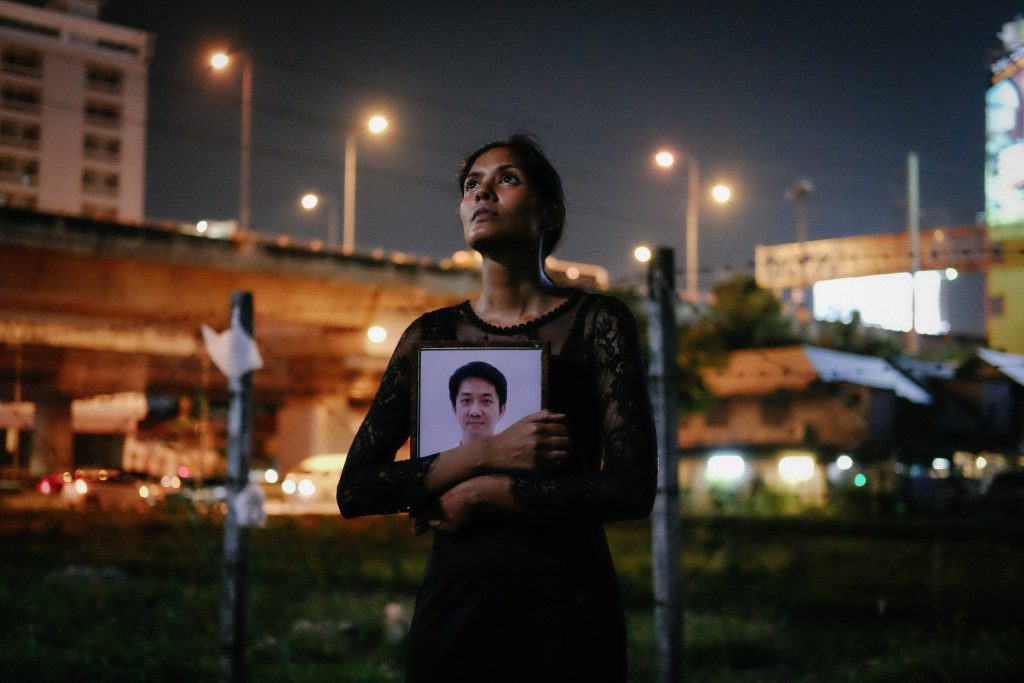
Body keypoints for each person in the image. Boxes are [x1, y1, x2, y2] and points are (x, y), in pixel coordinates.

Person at [337, 134, 657, 682]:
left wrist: (482, 492)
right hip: (457, 605)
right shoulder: (429, 334)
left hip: (568, 604)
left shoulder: (599, 322)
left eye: (507, 179)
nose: (482, 193)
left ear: (549, 212)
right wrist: (485, 453)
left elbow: (631, 488)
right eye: (471, 185)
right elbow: (356, 490)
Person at [448, 361, 508, 445]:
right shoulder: (441, 454)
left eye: (486, 401)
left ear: (501, 410)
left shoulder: (519, 454)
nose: (475, 412)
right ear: (454, 409)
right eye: (466, 401)